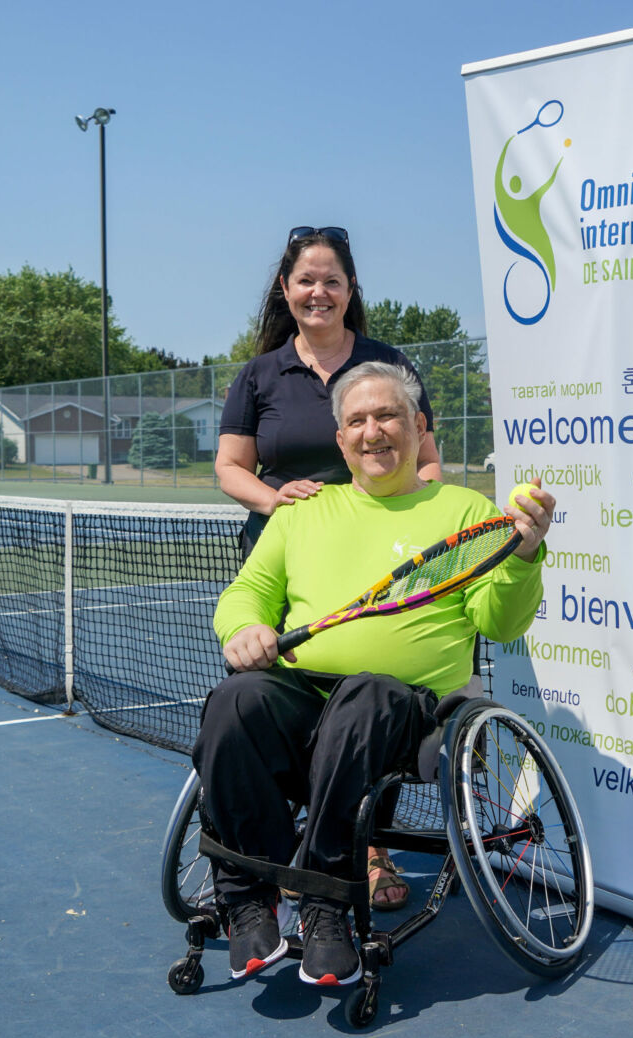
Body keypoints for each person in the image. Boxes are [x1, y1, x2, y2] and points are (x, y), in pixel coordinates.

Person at [193, 363, 554, 986]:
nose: (372, 432)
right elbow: (248, 591)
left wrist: (523, 555)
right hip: (306, 696)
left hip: (408, 710)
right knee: (234, 700)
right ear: (341, 440)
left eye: (387, 416)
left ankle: (328, 903)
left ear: (418, 427)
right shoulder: (302, 511)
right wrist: (244, 629)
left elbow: (500, 623)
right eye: (356, 421)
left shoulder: (466, 511)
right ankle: (249, 896)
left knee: (366, 691)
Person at [215, 226, 442, 909]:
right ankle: (271, 850)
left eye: (332, 280)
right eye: (306, 280)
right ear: (286, 291)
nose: (319, 291)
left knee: (374, 693)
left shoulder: (386, 364)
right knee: (272, 701)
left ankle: (367, 851)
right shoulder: (259, 375)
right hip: (288, 559)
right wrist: (276, 500)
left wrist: (421, 514)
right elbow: (230, 466)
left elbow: (426, 456)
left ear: (350, 292)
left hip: (379, 557)